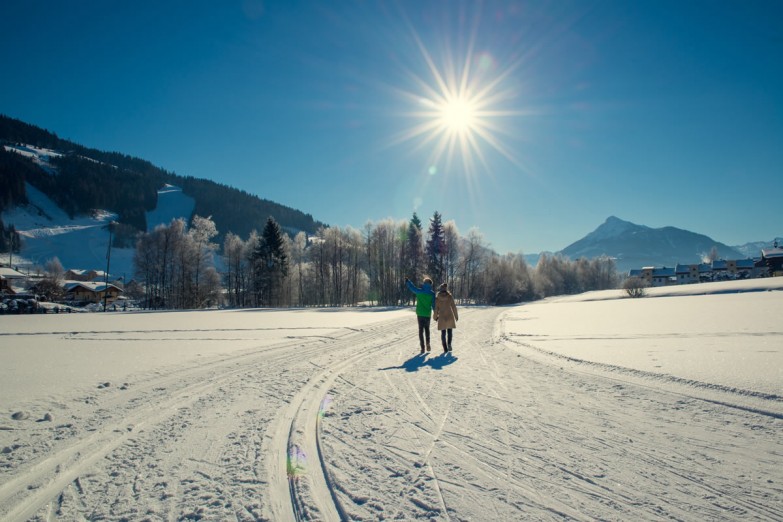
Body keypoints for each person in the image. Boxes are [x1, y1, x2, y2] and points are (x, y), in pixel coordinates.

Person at [405, 276, 436, 353]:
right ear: (430, 284)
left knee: (420, 331)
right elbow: (433, 305)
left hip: (420, 314)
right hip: (427, 314)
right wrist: (436, 313)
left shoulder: (419, 291)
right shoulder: (432, 294)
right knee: (427, 330)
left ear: (424, 283)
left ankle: (422, 348)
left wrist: (408, 281)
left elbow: (412, 288)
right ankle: (428, 343)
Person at [434, 282, 458, 352]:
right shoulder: (449, 296)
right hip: (450, 316)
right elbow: (453, 307)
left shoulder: (437, 298)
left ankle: (445, 348)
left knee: (443, 333)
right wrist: (456, 316)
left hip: (442, 317)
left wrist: (435, 317)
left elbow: (436, 309)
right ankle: (449, 344)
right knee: (450, 332)